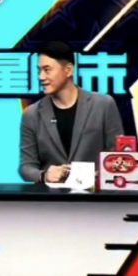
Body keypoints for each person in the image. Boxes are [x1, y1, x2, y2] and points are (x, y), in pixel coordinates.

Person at [19, 41, 124, 184]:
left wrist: (99, 175)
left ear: (68, 70)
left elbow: (118, 155)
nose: (41, 77)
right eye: (39, 70)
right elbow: (26, 166)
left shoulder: (103, 105)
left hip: (94, 194)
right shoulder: (31, 114)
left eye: (47, 70)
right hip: (50, 195)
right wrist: (44, 175)